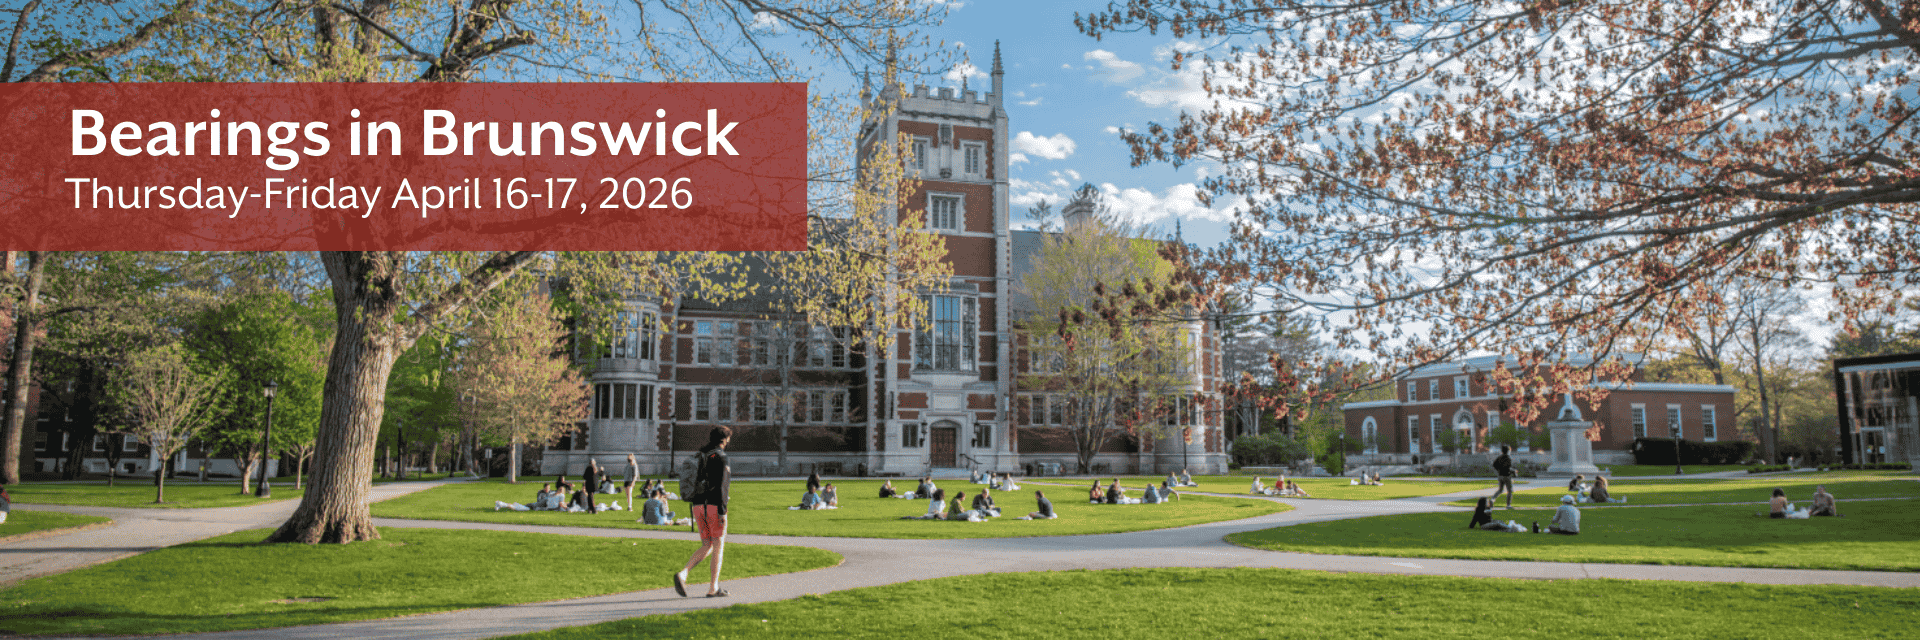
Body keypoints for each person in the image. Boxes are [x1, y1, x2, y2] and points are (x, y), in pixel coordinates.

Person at [676, 426, 733, 598]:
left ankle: (683, 573)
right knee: (718, 545)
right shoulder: (721, 457)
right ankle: (713, 587)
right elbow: (722, 486)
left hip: (697, 505)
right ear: (724, 440)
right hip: (714, 506)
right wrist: (722, 511)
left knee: (707, 544)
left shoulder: (700, 455)